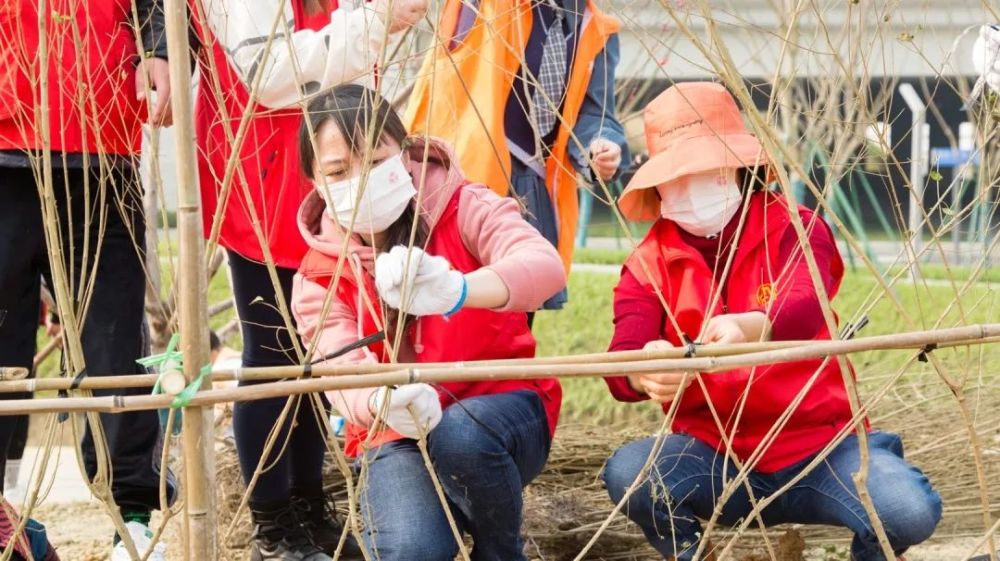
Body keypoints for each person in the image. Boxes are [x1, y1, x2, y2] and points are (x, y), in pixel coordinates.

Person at [599, 83, 942, 561]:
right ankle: (694, 555)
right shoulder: (648, 262)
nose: (691, 185)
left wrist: (750, 326)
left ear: (737, 168)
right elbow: (622, 351)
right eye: (677, 175)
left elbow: (806, 302)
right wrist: (642, 369)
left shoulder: (794, 227)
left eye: (705, 169)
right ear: (658, 185)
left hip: (822, 449)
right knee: (630, 474)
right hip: (715, 457)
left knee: (906, 510)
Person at [291, 84, 567, 561]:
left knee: (461, 436)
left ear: (403, 152)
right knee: (412, 549)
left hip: (500, 410)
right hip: (397, 435)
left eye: (375, 161)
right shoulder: (319, 274)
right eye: (338, 171)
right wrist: (380, 402)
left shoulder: (462, 205)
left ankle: (501, 552)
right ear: (316, 183)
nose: (359, 180)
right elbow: (337, 368)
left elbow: (543, 266)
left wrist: (459, 289)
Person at [193, 0, 425, 558]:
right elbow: (271, 75)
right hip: (264, 178)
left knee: (320, 356)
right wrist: (376, 22)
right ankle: (273, 526)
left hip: (326, 176)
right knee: (274, 354)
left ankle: (309, 505)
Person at [0, 1, 175, 559]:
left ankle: (133, 515)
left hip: (102, 136)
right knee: (1, 339)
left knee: (116, 343)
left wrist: (160, 49)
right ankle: (3, 516)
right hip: (7, 132)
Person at [405, 0, 630, 311]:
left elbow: (595, 111)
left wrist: (601, 145)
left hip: (533, 183)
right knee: (455, 306)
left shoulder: (594, 28)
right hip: (466, 179)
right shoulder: (487, 6)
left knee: (520, 308)